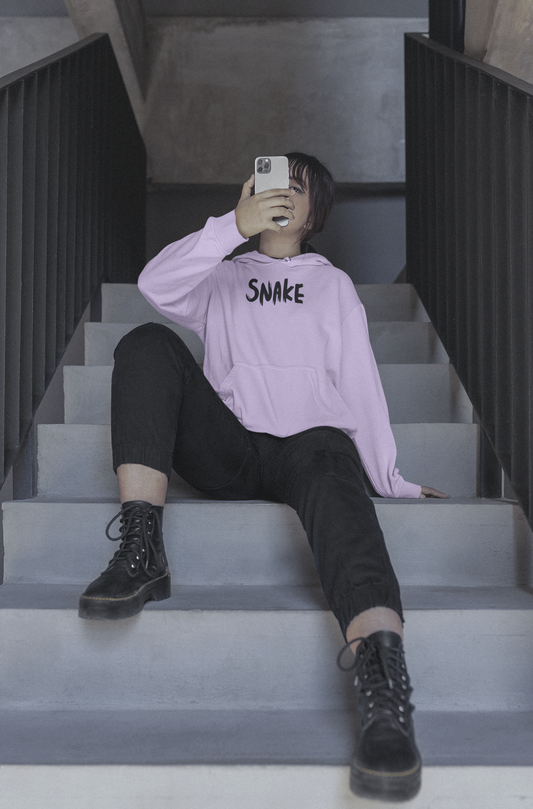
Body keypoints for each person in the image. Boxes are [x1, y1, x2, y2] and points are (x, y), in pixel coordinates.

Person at [79, 152, 448, 802]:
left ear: (315, 213)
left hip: (310, 447)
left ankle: (385, 688)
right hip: (230, 446)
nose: (284, 194)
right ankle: (141, 549)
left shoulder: (332, 285)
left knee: (332, 462)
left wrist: (389, 477)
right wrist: (231, 227)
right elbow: (156, 285)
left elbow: (359, 384)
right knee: (145, 343)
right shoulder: (222, 274)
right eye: (274, 182)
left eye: (298, 188)